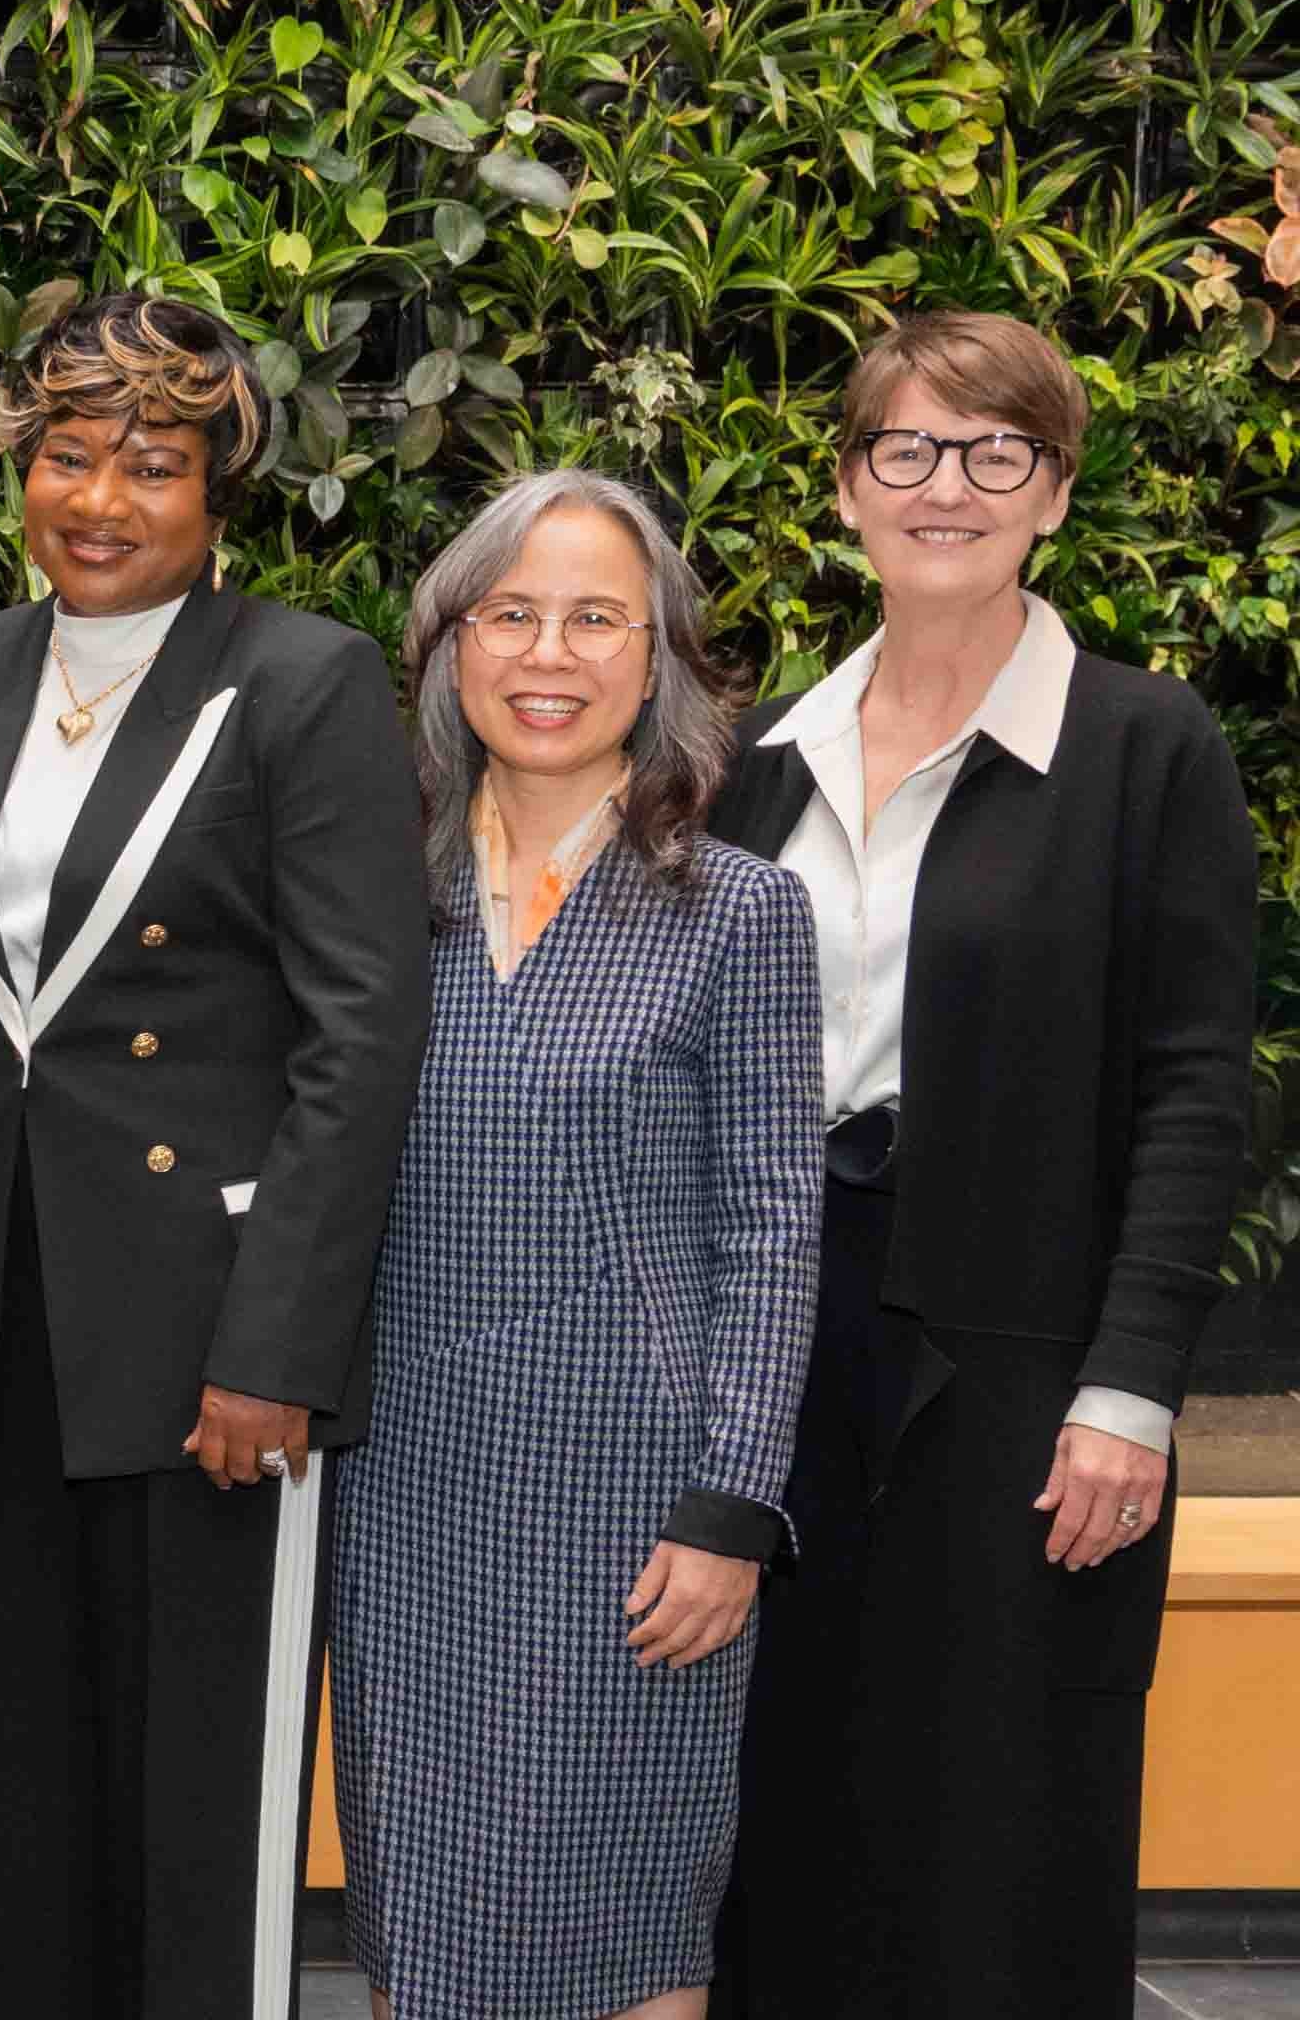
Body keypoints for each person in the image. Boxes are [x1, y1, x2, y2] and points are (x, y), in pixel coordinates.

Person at [0, 293, 428, 2020]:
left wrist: (277, 1350)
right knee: (6, 1785)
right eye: (69, 455)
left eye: (152, 464)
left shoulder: (301, 682)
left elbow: (359, 1039)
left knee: (198, 1811)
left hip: (206, 1338)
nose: (101, 498)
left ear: (217, 489)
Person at [711, 313, 1258, 2018]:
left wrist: (1134, 1391)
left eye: (996, 451)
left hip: (1026, 1368)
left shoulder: (1142, 746)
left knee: (1007, 1824)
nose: (948, 486)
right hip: (785, 1352)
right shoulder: (754, 763)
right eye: (906, 450)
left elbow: (1195, 1090)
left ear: (1057, 496)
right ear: (849, 492)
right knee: (791, 1805)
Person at [326, 471, 822, 2020]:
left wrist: (735, 1508)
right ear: (451, 651)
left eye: (596, 618)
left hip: (638, 1521)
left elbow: (774, 1226)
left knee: (629, 1947)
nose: (550, 654)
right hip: (402, 1498)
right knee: (433, 1938)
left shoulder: (739, 913)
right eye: (512, 614)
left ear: (658, 656)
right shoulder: (366, 902)